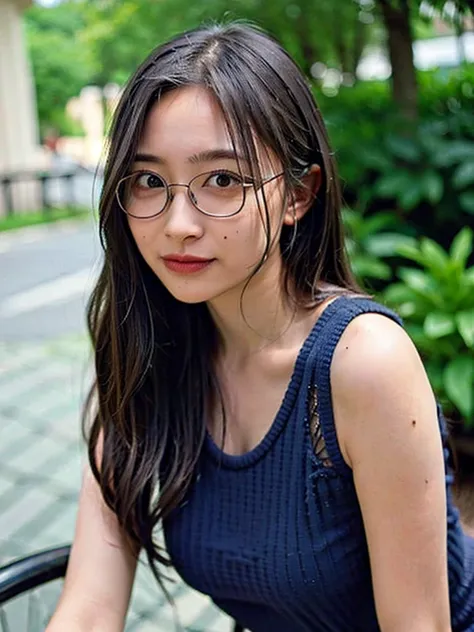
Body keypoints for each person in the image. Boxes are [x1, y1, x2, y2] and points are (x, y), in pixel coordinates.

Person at [46, 22, 474, 632]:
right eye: (148, 181)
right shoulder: (147, 351)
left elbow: (419, 625)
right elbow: (89, 608)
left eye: (222, 180)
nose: (178, 224)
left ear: (298, 195)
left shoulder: (361, 363)